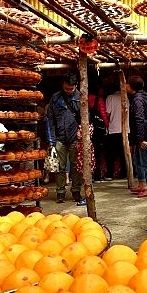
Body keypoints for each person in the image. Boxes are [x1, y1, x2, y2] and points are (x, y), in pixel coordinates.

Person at [45, 72, 85, 205]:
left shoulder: (81, 97)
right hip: (59, 138)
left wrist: (83, 134)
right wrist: (51, 140)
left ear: (76, 86)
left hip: (75, 138)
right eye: (66, 88)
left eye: (71, 89)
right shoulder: (55, 98)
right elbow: (49, 120)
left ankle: (76, 191)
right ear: (63, 84)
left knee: (76, 167)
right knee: (59, 166)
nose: (68, 91)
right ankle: (60, 192)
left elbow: (85, 119)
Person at [128, 72, 147, 198]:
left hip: (144, 136)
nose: (124, 86)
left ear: (131, 86)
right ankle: (142, 185)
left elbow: (139, 119)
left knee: (144, 162)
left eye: (126, 84)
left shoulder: (138, 100)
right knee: (137, 160)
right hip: (141, 135)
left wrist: (141, 139)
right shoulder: (138, 97)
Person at [104, 85, 127, 181]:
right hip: (125, 130)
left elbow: (107, 113)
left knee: (111, 154)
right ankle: (124, 173)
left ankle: (110, 174)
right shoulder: (126, 98)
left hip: (113, 129)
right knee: (123, 154)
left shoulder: (110, 98)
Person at [88, 82, 109, 181]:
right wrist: (106, 125)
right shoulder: (98, 99)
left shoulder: (83, 98)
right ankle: (97, 175)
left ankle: (88, 174)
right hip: (97, 130)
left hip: (85, 129)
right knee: (97, 152)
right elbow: (103, 114)